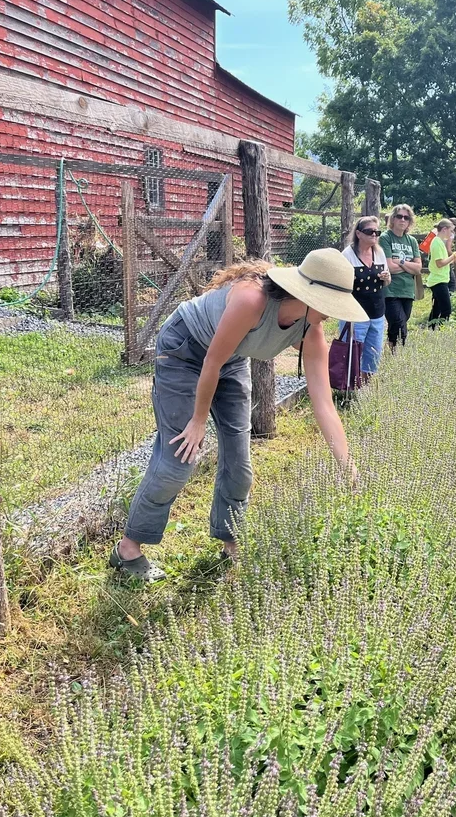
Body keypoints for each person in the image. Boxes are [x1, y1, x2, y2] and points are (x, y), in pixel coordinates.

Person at [109, 249, 367, 582]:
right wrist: (198, 421)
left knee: (240, 465)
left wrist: (348, 468)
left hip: (230, 361)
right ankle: (127, 550)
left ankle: (230, 542)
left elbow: (324, 405)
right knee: (179, 459)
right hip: (186, 349)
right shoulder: (251, 301)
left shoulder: (311, 331)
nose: (333, 316)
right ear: (307, 295)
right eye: (330, 305)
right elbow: (210, 362)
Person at [341, 216, 391, 379]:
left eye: (377, 232)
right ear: (359, 234)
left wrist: (386, 278)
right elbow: (340, 285)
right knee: (353, 352)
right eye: (370, 232)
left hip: (377, 312)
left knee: (373, 353)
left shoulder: (380, 253)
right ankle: (349, 388)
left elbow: (386, 282)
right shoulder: (347, 255)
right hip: (355, 314)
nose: (374, 235)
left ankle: (367, 387)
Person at [379, 204, 421, 350]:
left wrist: (401, 262)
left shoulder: (412, 241)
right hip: (390, 290)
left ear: (409, 221)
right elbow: (389, 267)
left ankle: (391, 349)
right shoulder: (385, 238)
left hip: (407, 290)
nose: (402, 220)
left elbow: (418, 268)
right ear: (393, 218)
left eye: (406, 217)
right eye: (399, 216)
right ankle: (399, 352)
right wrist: (408, 266)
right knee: (399, 322)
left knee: (398, 322)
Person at [425, 219, 456, 327]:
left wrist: (453, 257)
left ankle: (431, 329)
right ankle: (440, 330)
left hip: (440, 279)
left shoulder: (439, 242)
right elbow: (440, 263)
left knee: (437, 307)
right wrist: (454, 256)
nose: (451, 234)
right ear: (444, 229)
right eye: (451, 231)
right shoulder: (436, 243)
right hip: (438, 280)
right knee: (446, 309)